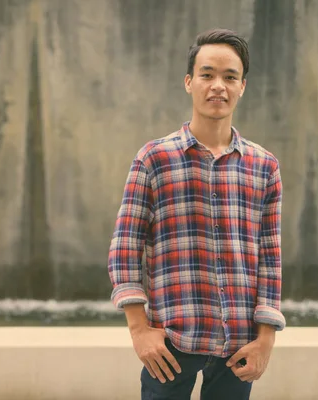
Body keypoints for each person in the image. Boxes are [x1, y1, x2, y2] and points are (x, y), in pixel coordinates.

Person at [107, 28, 285, 400]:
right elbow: (125, 249)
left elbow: (270, 258)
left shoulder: (264, 166)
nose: (217, 86)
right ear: (189, 82)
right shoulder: (154, 159)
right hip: (171, 343)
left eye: (229, 77)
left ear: (242, 87)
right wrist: (139, 330)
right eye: (207, 75)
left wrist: (265, 339)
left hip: (238, 347)